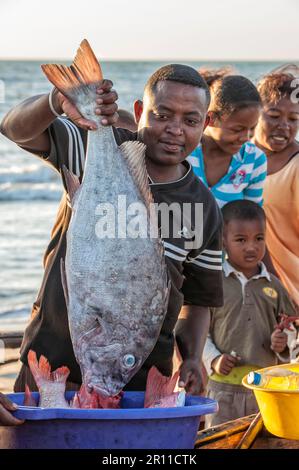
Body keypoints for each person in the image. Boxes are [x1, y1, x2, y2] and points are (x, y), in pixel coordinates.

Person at [0, 58, 223, 416]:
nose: (175, 129)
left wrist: (194, 356)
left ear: (206, 123)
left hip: (137, 390)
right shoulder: (92, 149)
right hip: (49, 375)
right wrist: (57, 102)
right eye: (162, 114)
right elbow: (14, 128)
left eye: (190, 120)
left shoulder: (204, 206)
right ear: (139, 111)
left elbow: (198, 299)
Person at [202, 200, 297, 427]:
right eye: (241, 240)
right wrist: (214, 359)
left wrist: (283, 343)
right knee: (219, 440)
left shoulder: (274, 286)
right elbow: (200, 333)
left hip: (265, 391)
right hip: (221, 391)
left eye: (259, 239)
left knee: (262, 441)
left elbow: (292, 328)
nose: (251, 247)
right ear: (223, 241)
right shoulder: (213, 284)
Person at [188, 69, 267, 208]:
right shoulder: (185, 151)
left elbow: (252, 214)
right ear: (210, 119)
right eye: (237, 129)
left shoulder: (254, 159)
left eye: (253, 128)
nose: (246, 138)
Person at [253, 69, 299, 307]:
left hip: (292, 289)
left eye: (293, 119)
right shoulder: (239, 158)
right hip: (251, 288)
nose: (284, 126)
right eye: (273, 115)